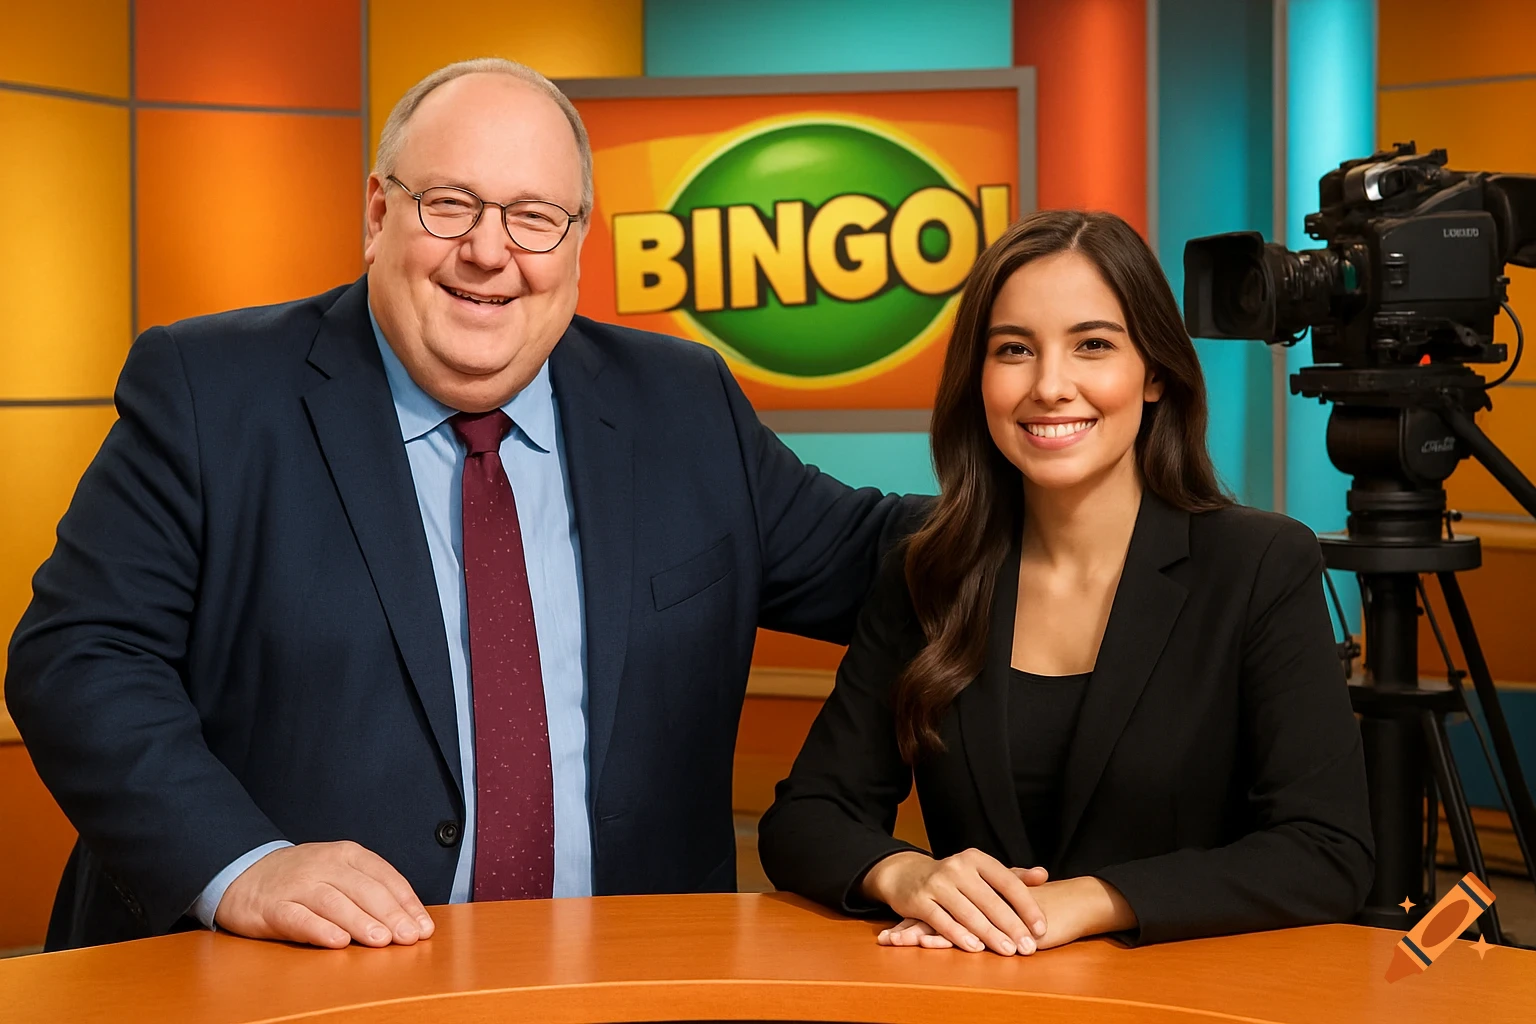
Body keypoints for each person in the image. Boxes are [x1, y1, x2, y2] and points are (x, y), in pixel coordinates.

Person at [5, 58, 924, 951]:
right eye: (449, 205)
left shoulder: (681, 402)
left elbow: (878, 559)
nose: (490, 252)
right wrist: (241, 865)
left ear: (576, 241)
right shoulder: (210, 392)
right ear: (377, 212)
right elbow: (81, 656)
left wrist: (1061, 489)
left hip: (625, 982)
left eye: (535, 218)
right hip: (288, 987)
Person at [757, 210, 1375, 955]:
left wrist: (1093, 900)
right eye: (1014, 349)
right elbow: (807, 817)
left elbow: (1328, 849)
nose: (1050, 386)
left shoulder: (1259, 564)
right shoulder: (929, 570)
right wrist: (904, 874)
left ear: (1154, 373)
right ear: (978, 379)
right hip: (980, 1003)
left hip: (1190, 1001)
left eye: (1093, 345)